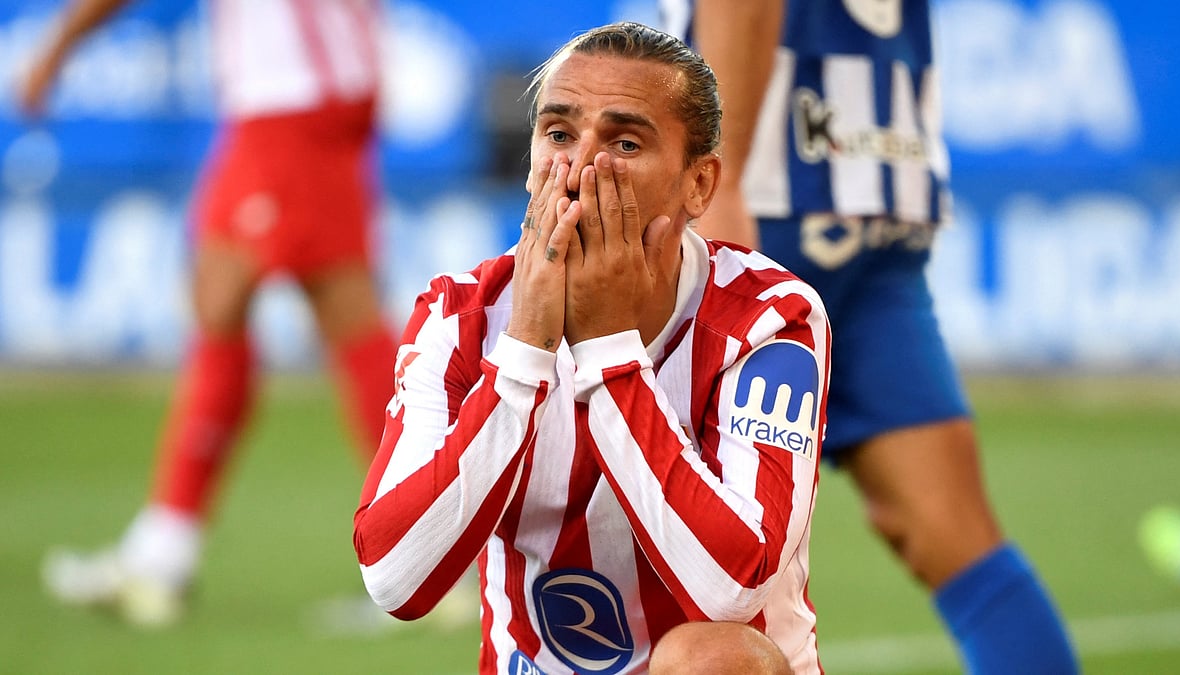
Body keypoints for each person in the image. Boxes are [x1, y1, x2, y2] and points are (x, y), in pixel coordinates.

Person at [353, 21, 831, 674]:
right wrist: (524, 351)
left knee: (713, 660)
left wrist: (608, 349)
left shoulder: (767, 318)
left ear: (698, 184)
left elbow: (731, 587)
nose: (579, 168)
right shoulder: (460, 317)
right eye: (557, 134)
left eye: (624, 143)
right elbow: (393, 579)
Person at [659, 1, 1079, 672]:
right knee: (954, 538)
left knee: (681, 550)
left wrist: (725, 175)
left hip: (769, 196)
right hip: (877, 187)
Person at [22, 0, 398, 627]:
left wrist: (57, 46)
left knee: (315, 310)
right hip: (315, 93)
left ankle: (432, 557)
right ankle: (162, 554)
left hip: (292, 97)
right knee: (237, 301)